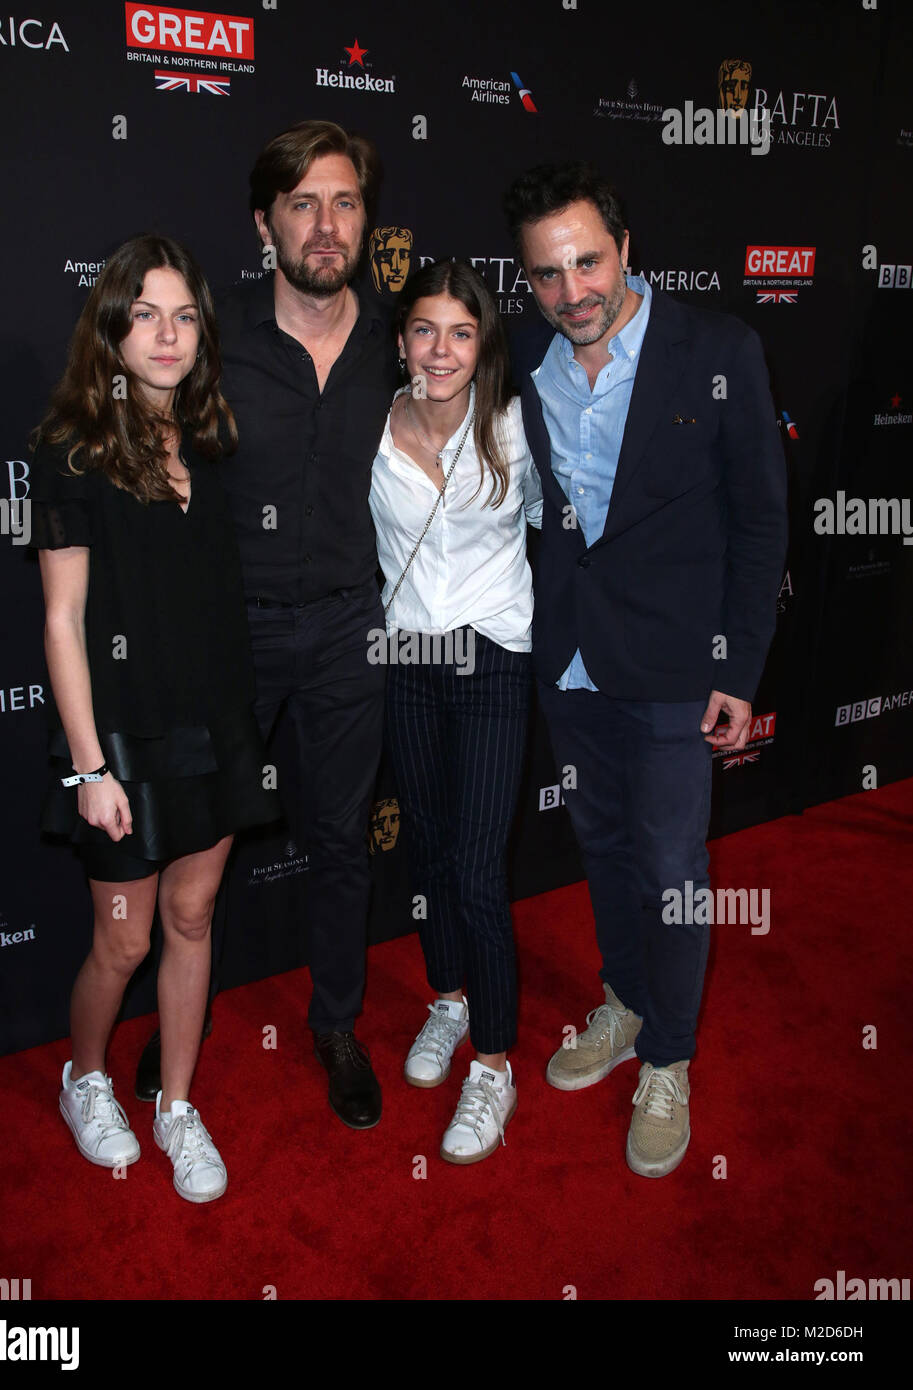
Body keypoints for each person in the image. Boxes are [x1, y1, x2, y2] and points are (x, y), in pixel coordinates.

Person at [503, 163, 787, 1176]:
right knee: (608, 849)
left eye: (587, 261)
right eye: (547, 273)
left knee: (673, 873)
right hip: (573, 660)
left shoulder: (716, 350)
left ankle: (669, 1056)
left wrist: (739, 667)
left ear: (624, 248)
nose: (572, 289)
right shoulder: (526, 361)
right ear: (527, 282)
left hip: (679, 666)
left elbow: (759, 521)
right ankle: (626, 1001)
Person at [134, 120, 399, 1129]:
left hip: (349, 630)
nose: (325, 225)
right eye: (302, 204)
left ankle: (335, 1022)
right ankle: (178, 1012)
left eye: (344, 202)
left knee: (339, 842)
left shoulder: (401, 342)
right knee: (199, 845)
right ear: (264, 222)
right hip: (228, 634)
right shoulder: (214, 335)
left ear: (365, 220)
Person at [31, 234, 278, 1203]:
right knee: (123, 941)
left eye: (184, 315)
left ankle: (176, 1104)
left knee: (192, 912)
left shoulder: (211, 438)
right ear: (112, 327)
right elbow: (60, 618)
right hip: (121, 733)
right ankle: (85, 1077)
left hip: (214, 720)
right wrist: (89, 768)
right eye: (146, 314)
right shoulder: (72, 446)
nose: (167, 334)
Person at [369, 259, 542, 1163]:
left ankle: (495, 1064)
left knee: (476, 867)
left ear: (483, 346)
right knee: (430, 852)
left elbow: (568, 526)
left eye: (460, 332)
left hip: (489, 657)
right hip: (406, 656)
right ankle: (449, 998)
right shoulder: (372, 425)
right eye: (425, 331)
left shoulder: (516, 425)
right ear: (401, 342)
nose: (441, 350)